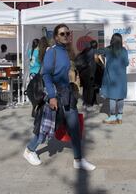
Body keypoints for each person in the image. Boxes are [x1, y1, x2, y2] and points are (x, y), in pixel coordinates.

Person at [23, 24, 96, 171]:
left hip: (67, 94)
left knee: (75, 127)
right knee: (45, 128)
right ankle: (30, 150)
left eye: (68, 33)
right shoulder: (52, 52)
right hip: (55, 94)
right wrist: (51, 96)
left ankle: (78, 160)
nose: (66, 36)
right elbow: (46, 75)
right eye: (62, 34)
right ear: (56, 37)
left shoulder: (66, 51)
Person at [99, 33, 129, 124]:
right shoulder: (124, 50)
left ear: (112, 40)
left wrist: (103, 64)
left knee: (112, 96)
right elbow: (127, 63)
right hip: (121, 77)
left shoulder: (108, 49)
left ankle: (112, 116)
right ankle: (119, 116)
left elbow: (98, 55)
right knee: (120, 97)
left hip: (110, 76)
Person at [77, 40, 99, 111]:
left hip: (83, 73)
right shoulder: (94, 52)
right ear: (96, 46)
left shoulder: (85, 50)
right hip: (90, 72)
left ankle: (85, 103)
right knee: (90, 89)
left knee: (85, 88)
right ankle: (88, 104)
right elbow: (95, 63)